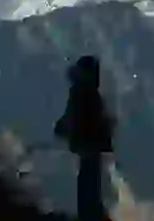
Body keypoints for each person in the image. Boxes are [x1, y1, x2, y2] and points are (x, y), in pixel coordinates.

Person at [54, 55, 114, 221]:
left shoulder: (80, 94)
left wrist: (63, 129)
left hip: (86, 145)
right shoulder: (93, 95)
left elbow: (73, 118)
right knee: (91, 182)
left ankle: (90, 215)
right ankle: (92, 214)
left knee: (87, 184)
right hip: (92, 145)